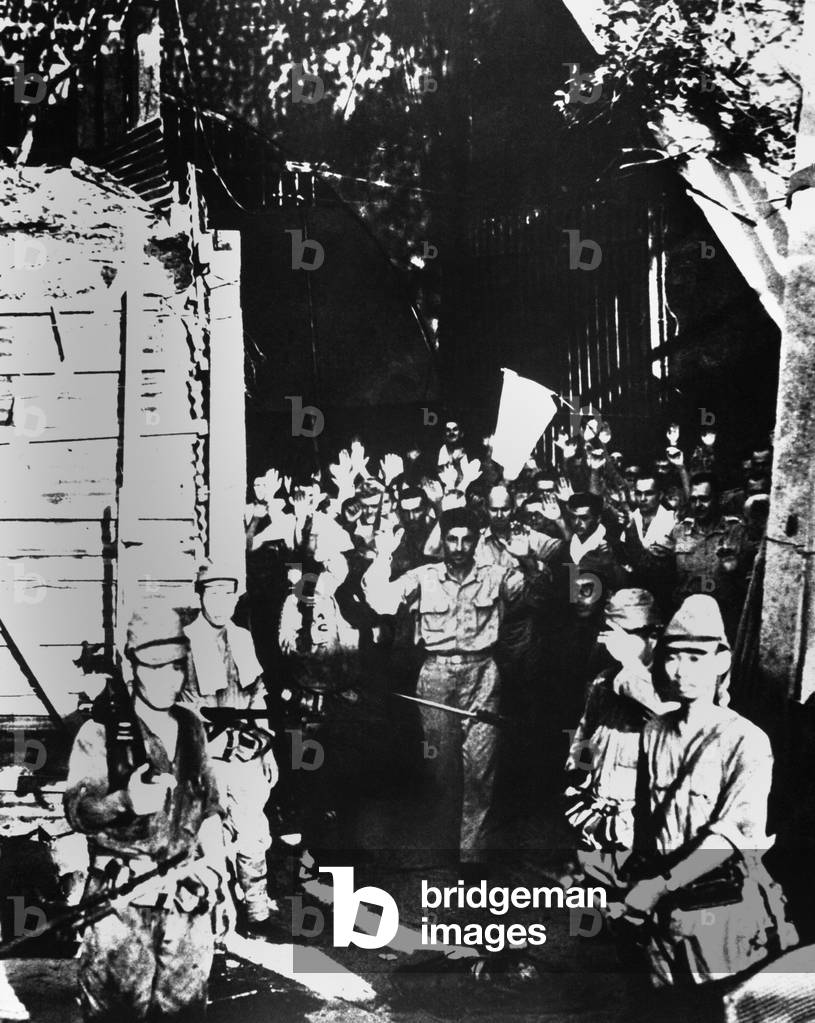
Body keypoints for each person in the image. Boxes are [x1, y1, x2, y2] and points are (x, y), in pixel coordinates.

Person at [621, 596, 798, 997]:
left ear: (722, 661)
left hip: (722, 912)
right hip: (662, 915)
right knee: (664, 1007)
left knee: (718, 1008)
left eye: (695, 658)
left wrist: (659, 885)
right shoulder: (654, 731)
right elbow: (646, 821)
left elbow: (730, 837)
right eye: (672, 657)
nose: (681, 670)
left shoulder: (746, 740)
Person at [64, 606, 232, 1023]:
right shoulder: (100, 733)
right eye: (154, 667)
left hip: (188, 904)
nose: (168, 679)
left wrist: (221, 884)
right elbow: (79, 811)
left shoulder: (192, 728)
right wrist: (124, 801)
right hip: (121, 909)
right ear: (131, 666)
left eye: (176, 666)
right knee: (115, 1014)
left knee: (185, 1013)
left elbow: (209, 808)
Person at [363, 507, 530, 869]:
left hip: (482, 674)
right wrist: (382, 555)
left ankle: (471, 855)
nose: (458, 547)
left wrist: (529, 559)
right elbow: (380, 601)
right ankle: (443, 845)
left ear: (477, 540)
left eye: (466, 540)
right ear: (442, 539)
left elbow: (541, 596)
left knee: (480, 768)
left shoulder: (497, 575)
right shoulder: (423, 577)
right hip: (435, 676)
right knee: (441, 767)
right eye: (451, 539)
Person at [180, 562, 278, 932]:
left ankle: (257, 910)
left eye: (228, 593)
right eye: (213, 593)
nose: (222, 602)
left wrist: (266, 748)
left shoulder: (241, 638)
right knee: (210, 839)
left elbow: (257, 695)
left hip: (246, 755)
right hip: (208, 757)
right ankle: (216, 924)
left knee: (253, 833)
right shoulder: (185, 643)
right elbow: (181, 709)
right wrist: (218, 744)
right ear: (200, 596)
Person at [565, 590, 675, 891]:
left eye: (620, 634)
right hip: (599, 807)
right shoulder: (605, 680)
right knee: (595, 891)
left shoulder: (671, 684)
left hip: (640, 818)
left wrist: (631, 668)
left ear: (653, 637)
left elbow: (670, 721)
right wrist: (578, 774)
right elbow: (586, 732)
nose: (610, 642)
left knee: (636, 896)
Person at [665, 473, 751, 638]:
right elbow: (658, 570)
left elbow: (750, 580)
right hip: (686, 619)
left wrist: (735, 569)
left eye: (704, 499)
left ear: (718, 499)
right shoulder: (679, 531)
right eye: (693, 499)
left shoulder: (736, 531)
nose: (698, 505)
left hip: (724, 619)